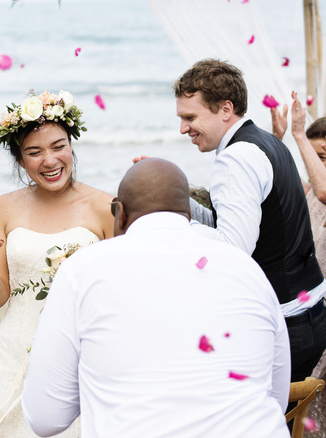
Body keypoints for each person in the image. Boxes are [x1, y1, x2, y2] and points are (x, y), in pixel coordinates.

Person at [21, 158, 291, 437]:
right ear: (188, 212)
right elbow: (276, 394)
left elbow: (45, 418)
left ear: (120, 213)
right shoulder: (247, 268)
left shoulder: (82, 270)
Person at [0, 90, 114, 436]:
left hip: (81, 351)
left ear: (72, 146)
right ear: (21, 161)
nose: (49, 160)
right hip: (17, 348)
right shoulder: (2, 207)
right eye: (34, 152)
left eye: (58, 146)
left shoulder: (106, 206)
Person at [175, 59, 326, 383]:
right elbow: (248, 223)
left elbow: (234, 246)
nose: (183, 128)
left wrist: (174, 227)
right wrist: (172, 197)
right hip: (309, 313)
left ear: (225, 109)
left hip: (286, 324)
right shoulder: (266, 141)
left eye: (190, 117)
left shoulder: (236, 158)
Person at [271, 93, 326, 435]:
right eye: (312, 156)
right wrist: (278, 142)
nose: (317, 165)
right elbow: (283, 190)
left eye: (324, 156)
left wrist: (297, 134)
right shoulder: (311, 191)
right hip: (308, 317)